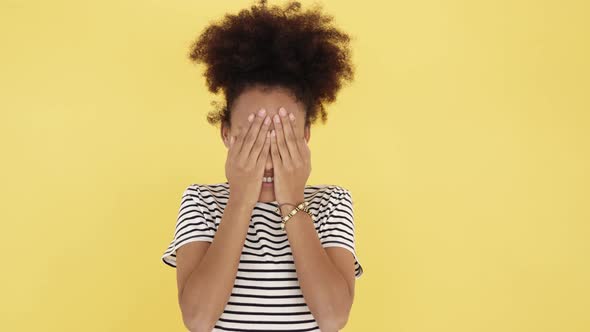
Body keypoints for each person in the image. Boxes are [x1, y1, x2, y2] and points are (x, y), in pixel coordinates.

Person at [161, 1, 364, 331]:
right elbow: (197, 319)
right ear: (226, 134)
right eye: (252, 136)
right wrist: (241, 199)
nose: (267, 154)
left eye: (282, 137)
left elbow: (333, 317)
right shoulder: (201, 202)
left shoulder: (331, 203)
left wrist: (293, 202)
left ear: (306, 136)